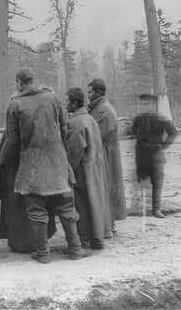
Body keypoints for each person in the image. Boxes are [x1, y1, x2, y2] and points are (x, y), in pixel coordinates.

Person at [2, 68, 87, 263]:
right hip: (58, 163)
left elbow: (12, 140)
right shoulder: (53, 97)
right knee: (67, 207)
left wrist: (4, 161)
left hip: (33, 166)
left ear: (19, 82)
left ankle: (43, 253)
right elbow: (65, 128)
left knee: (36, 210)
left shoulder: (15, 104)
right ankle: (75, 249)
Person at [0, 128, 57, 253]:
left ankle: (20, 243)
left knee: (17, 207)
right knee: (35, 207)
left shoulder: (11, 132)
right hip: (36, 175)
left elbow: (3, 157)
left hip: (15, 176)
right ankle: (38, 242)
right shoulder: (40, 129)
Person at [65, 87, 111, 251]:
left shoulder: (75, 123)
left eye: (67, 101)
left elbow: (74, 153)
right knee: (94, 204)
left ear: (75, 103)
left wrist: (67, 171)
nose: (65, 105)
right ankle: (96, 240)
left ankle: (83, 241)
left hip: (82, 171)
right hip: (94, 168)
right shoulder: (89, 119)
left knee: (81, 205)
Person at [87, 78, 126, 234]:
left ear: (98, 92)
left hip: (106, 155)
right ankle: (105, 224)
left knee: (107, 187)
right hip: (102, 153)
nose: (88, 95)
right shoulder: (98, 108)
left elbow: (100, 135)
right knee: (103, 188)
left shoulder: (105, 110)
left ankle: (108, 226)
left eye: (90, 92)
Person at [132, 94, 178, 218]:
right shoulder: (138, 119)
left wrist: (163, 146)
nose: (143, 107)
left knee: (157, 184)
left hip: (156, 156)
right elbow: (133, 133)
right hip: (141, 155)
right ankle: (141, 210)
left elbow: (173, 132)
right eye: (142, 104)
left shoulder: (161, 119)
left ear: (153, 105)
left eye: (146, 104)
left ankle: (156, 209)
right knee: (141, 182)